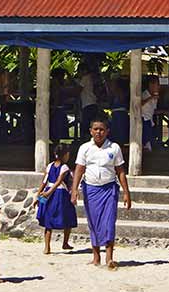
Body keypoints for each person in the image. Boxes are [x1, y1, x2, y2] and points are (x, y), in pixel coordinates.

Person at [70, 118, 132, 269]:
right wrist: (74, 190)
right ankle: (96, 256)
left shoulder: (114, 148)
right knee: (94, 222)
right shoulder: (84, 148)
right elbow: (79, 169)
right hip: (90, 189)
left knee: (109, 222)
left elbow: (120, 171)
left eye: (102, 129)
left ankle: (109, 258)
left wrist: (126, 192)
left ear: (107, 131)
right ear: (91, 131)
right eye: (96, 129)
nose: (99, 132)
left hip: (109, 189)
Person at [36, 143, 77, 253]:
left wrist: (39, 194)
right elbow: (59, 181)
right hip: (60, 195)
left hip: (48, 193)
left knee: (48, 221)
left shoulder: (49, 166)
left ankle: (47, 247)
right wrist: (48, 192)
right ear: (65, 155)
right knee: (67, 217)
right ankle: (65, 243)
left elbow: (44, 181)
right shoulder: (64, 167)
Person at [140, 76, 160, 152]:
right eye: (157, 84)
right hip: (143, 119)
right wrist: (151, 98)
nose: (158, 87)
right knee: (145, 140)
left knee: (148, 140)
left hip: (149, 120)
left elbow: (153, 110)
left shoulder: (155, 96)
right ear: (150, 85)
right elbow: (139, 104)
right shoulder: (144, 94)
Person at [108, 77, 129, 144]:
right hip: (115, 115)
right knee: (115, 132)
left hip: (120, 115)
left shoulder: (120, 93)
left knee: (120, 132)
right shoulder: (114, 93)